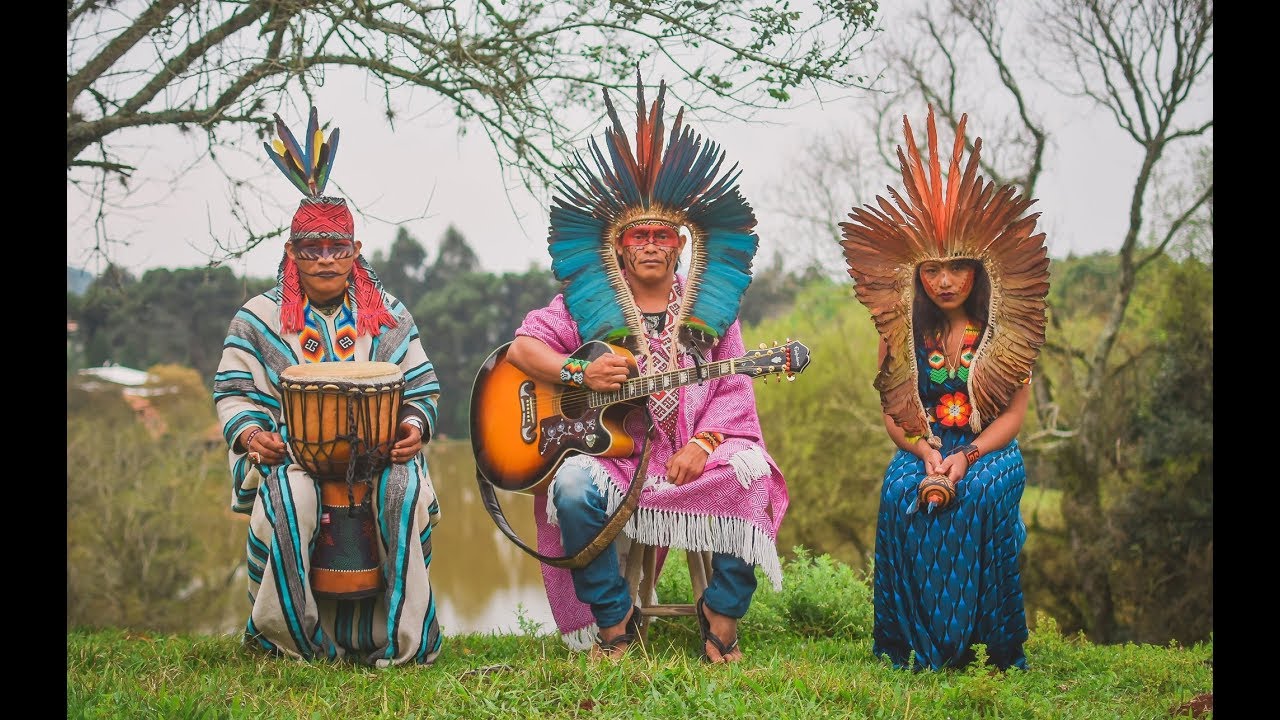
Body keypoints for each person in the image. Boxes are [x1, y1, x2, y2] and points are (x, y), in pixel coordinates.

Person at [503, 76, 789, 663]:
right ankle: (614, 620)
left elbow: (733, 386)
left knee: (755, 474)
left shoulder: (712, 304)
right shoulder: (587, 301)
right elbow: (522, 352)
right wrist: (579, 376)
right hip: (612, 454)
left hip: (688, 457)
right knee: (572, 486)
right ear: (622, 245)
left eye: (664, 235)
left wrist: (707, 443)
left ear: (681, 245)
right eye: (641, 235)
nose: (653, 245)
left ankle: (721, 615)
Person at [212, 106, 443, 667]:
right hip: (291, 455)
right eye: (310, 248)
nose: (324, 259)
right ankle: (289, 641)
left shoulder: (386, 316)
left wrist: (413, 427)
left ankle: (400, 644)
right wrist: (250, 438)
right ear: (291, 253)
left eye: (336, 248)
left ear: (355, 253)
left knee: (402, 491)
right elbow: (234, 392)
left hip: (380, 454)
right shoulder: (259, 318)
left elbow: (422, 386)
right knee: (293, 497)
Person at [837, 107, 1050, 672]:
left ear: (980, 269)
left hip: (991, 449)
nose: (946, 280)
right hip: (923, 444)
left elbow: (1015, 418)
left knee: (976, 497)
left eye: (958, 267)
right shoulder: (901, 332)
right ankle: (909, 644)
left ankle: (994, 645)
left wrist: (968, 456)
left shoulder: (1006, 328)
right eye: (932, 270)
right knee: (900, 495)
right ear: (916, 275)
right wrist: (926, 452)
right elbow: (893, 413)